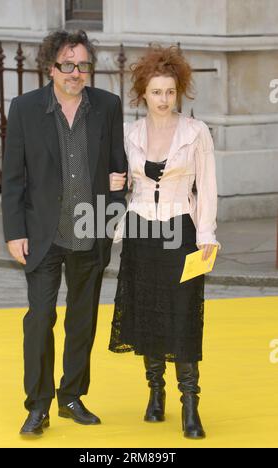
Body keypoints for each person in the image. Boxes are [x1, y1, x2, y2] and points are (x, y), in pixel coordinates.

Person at [1, 30, 127, 436]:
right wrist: (14, 231)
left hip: (91, 232)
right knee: (40, 318)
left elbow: (117, 164)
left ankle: (72, 395)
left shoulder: (108, 106)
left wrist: (117, 201)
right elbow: (13, 178)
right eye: (67, 65)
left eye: (83, 65)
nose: (76, 73)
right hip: (42, 234)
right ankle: (38, 405)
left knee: (82, 318)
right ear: (50, 67)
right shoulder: (24, 109)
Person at [108, 46, 220, 439]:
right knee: (148, 313)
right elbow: (119, 184)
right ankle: (155, 395)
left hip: (181, 231)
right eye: (156, 92)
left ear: (179, 92)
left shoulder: (195, 132)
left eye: (170, 91)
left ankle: (190, 404)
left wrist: (206, 234)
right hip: (141, 231)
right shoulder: (130, 134)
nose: (163, 99)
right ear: (143, 93)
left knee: (184, 314)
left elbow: (206, 186)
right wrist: (112, 185)